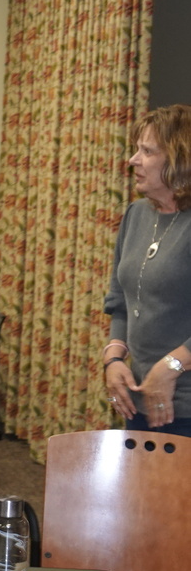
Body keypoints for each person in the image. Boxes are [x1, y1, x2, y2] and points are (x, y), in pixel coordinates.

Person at [104, 104, 191, 437]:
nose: (132, 160)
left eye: (147, 151)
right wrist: (113, 359)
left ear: (180, 160)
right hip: (139, 397)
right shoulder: (137, 214)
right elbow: (120, 300)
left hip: (182, 403)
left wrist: (171, 367)